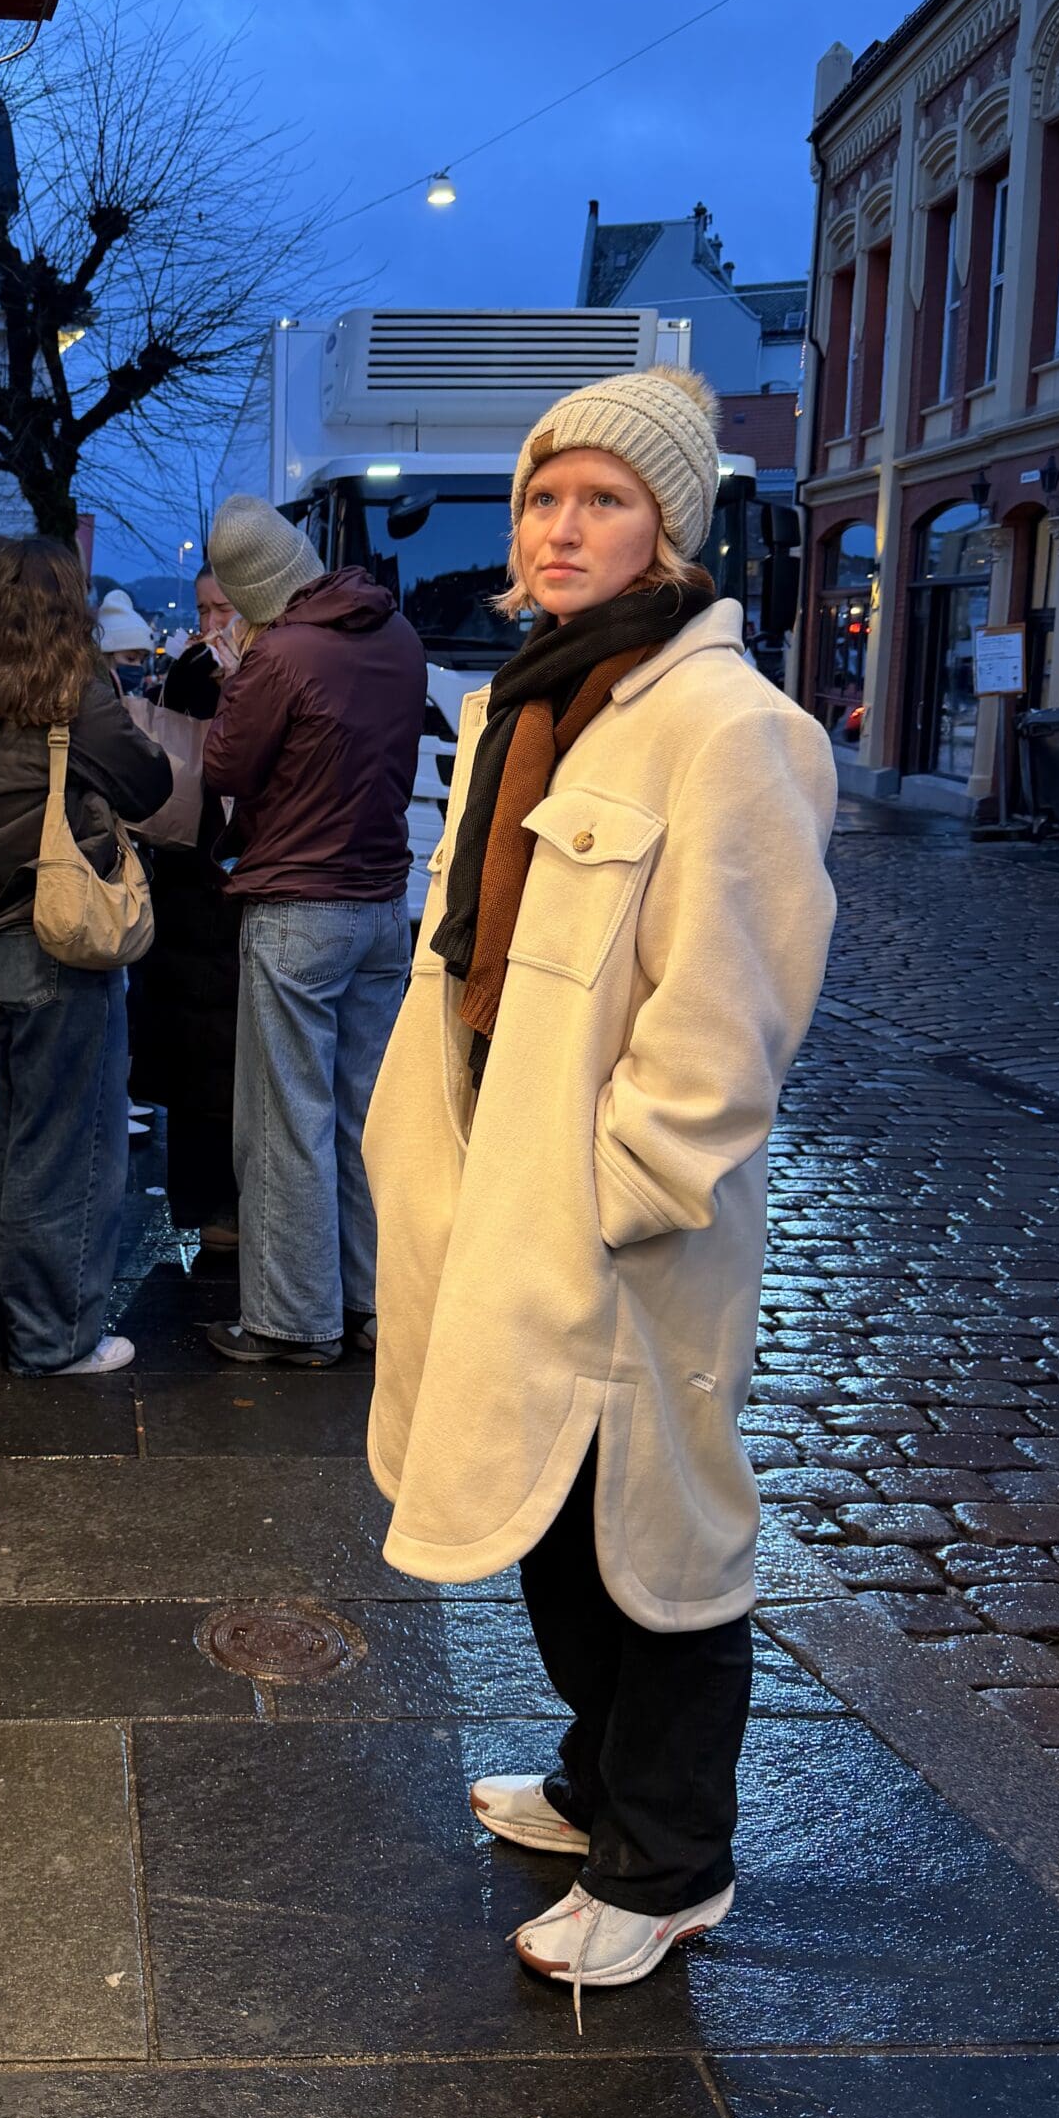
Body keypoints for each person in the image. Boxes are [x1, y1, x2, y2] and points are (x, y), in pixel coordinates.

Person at [363, 365, 837, 2011]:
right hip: (506, 1183)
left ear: (671, 531)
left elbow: (731, 1015)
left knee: (659, 1538)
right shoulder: (531, 703)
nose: (561, 529)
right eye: (543, 499)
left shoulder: (732, 730)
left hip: (623, 1224)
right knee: (548, 1505)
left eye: (603, 501)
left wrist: (625, 1186)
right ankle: (593, 1778)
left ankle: (670, 1860)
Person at [199, 500, 426, 1366]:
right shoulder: (397, 633)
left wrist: (236, 676)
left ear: (249, 593)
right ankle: (371, 1302)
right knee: (366, 1115)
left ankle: (292, 1322)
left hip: (297, 906)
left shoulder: (281, 654)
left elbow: (225, 765)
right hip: (381, 904)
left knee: (285, 1119)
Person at [0, 537, 172, 1375]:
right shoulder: (72, 695)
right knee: (67, 1154)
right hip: (56, 943)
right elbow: (150, 784)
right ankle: (54, 1339)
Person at [126, 564, 242, 1248]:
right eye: (202, 609)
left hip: (209, 876)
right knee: (203, 1051)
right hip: (194, 873)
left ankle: (212, 1205)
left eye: (221, 607)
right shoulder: (196, 671)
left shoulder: (261, 667)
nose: (209, 623)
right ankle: (207, 1206)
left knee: (215, 1049)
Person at [95, 588, 155, 696]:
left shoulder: (125, 696)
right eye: (131, 658)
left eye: (142, 661)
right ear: (103, 655)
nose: (138, 666)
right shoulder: (87, 698)